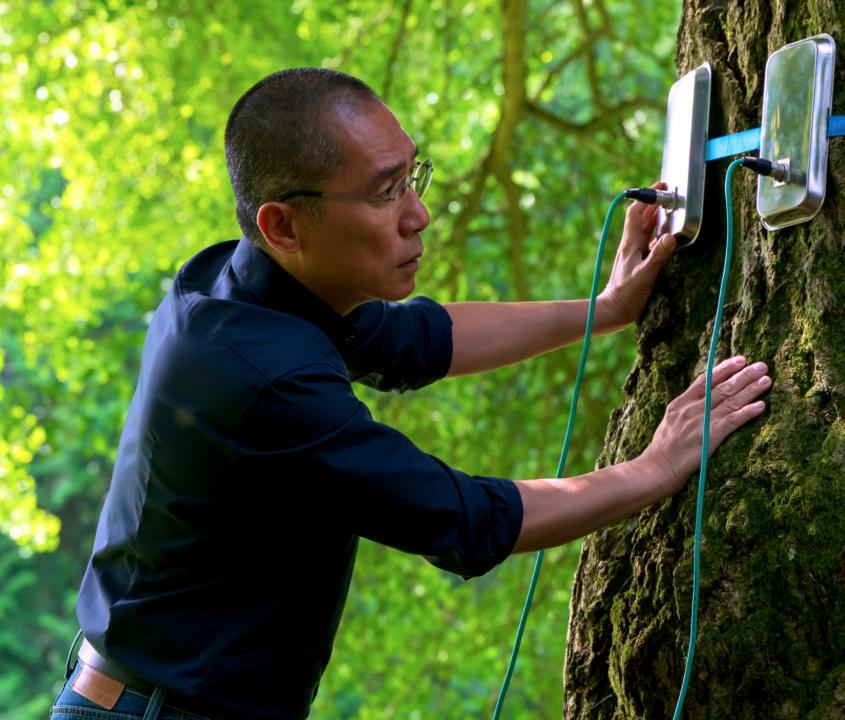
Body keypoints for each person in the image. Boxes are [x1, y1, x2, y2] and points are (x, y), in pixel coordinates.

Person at [50, 67, 771, 720]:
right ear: (284, 224)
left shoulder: (247, 285)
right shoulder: (262, 380)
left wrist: (607, 310)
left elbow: (422, 340)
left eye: (411, 175)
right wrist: (654, 467)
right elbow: (465, 518)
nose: (418, 213)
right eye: (384, 192)